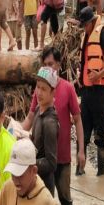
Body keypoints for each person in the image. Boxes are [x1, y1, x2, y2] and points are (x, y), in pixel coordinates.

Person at [22, 47, 85, 205]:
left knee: (65, 199)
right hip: (42, 159)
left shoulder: (68, 88)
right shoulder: (41, 89)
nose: (48, 68)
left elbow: (78, 120)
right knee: (43, 200)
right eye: (45, 64)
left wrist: (81, 151)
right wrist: (14, 134)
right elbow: (30, 118)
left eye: (51, 64)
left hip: (62, 157)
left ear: (58, 64)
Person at [78, 6, 104, 176]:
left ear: (92, 22)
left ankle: (101, 174)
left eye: (86, 25)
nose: (84, 28)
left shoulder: (101, 34)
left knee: (99, 136)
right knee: (84, 136)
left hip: (100, 92)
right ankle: (80, 171)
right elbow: (83, 62)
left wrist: (99, 74)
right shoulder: (85, 36)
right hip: (86, 92)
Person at [29, 66, 59, 196]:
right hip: (34, 180)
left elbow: (51, 163)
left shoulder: (50, 123)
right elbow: (35, 142)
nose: (39, 93)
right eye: (38, 87)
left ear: (53, 92)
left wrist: (28, 163)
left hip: (44, 187)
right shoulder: (37, 109)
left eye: (44, 89)